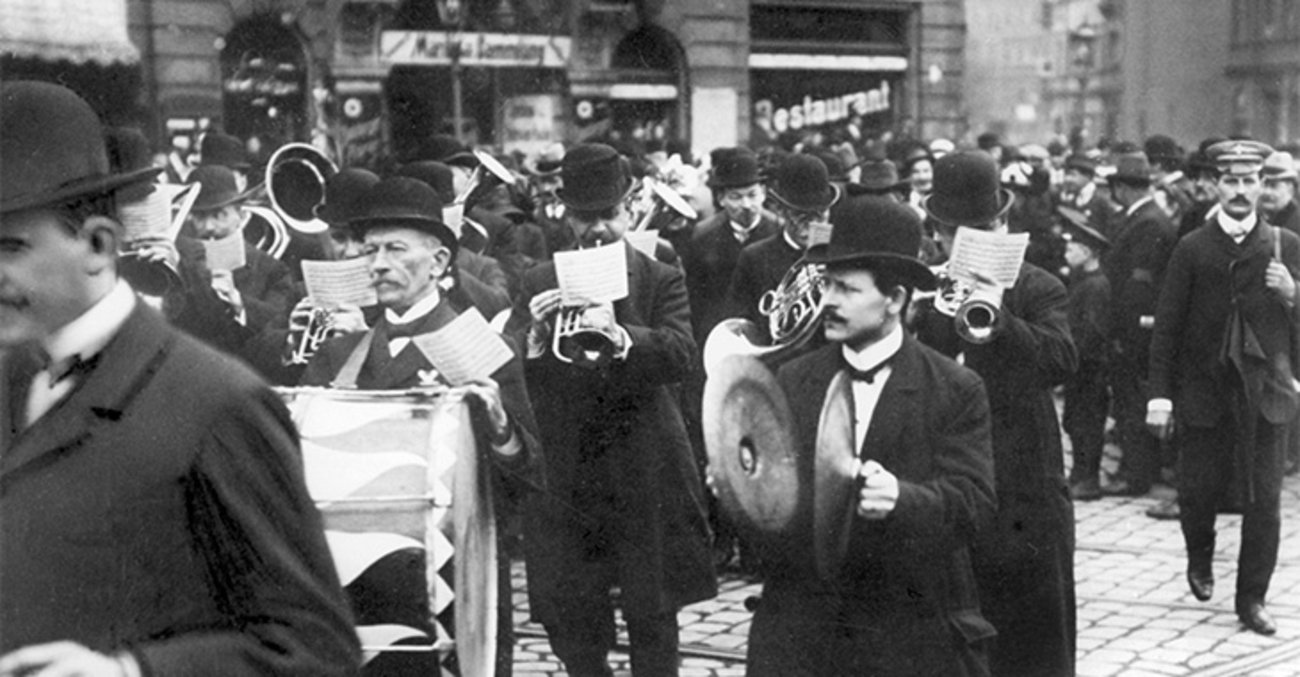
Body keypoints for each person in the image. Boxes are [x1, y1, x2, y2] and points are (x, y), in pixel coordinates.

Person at [0, 80, 359, 676]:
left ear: (97, 245)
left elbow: (314, 648)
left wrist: (127, 673)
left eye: (8, 247)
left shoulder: (220, 403)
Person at [746, 194, 997, 676]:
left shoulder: (954, 388)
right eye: (828, 286)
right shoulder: (793, 378)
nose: (830, 302)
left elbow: (975, 503)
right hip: (804, 632)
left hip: (903, 630)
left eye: (848, 289)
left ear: (896, 300)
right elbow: (772, 521)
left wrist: (903, 498)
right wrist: (743, 491)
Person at [301, 176, 542, 674]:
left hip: (456, 587)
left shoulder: (478, 348)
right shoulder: (339, 354)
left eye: (394, 248)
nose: (378, 263)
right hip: (357, 585)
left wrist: (499, 424)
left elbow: (530, 479)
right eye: (370, 250)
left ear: (438, 263)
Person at [507, 143, 716, 676]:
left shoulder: (659, 273)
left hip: (644, 465)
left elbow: (680, 353)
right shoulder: (537, 280)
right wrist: (532, 337)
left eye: (608, 215)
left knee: (654, 615)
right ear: (565, 215)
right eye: (584, 217)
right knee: (572, 620)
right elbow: (516, 378)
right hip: (570, 471)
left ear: (628, 211)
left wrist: (620, 335)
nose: (596, 229)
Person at [912, 150, 1079, 677]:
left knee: (1034, 643)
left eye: (981, 231)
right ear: (936, 233)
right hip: (950, 485)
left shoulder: (1038, 286)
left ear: (1002, 226)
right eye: (953, 233)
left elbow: (1061, 360)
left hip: (1023, 489)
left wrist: (1000, 318)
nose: (965, 245)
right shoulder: (923, 291)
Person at [1146, 139, 1300, 636]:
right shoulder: (1193, 247)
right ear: (1217, 184)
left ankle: (1251, 598)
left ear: (1261, 186)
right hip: (1205, 393)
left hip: (1266, 395)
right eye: (1230, 181)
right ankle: (1200, 556)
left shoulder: (1286, 246)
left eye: (1248, 181)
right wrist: (1160, 396)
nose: (1239, 190)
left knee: (1264, 504)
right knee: (1198, 491)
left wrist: (1293, 294)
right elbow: (1167, 326)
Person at [1104, 152, 1179, 498]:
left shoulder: (1149, 223)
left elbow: (1139, 285)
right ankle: (1137, 469)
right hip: (1134, 325)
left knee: (1133, 402)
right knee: (1129, 400)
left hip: (1136, 328)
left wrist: (1123, 329)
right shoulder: (1143, 218)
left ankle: (1137, 473)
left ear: (1122, 188)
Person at [181, 164, 301, 352]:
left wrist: (238, 302)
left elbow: (280, 326)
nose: (209, 226)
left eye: (220, 214)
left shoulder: (273, 270)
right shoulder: (178, 264)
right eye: (199, 216)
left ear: (240, 215)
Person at [725, 153, 840, 327]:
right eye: (800, 215)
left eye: (819, 214)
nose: (812, 224)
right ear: (781, 210)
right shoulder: (754, 257)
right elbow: (740, 323)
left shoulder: (843, 254)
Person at [1059, 211, 1113, 500]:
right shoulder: (1084, 281)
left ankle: (1088, 478)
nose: (1066, 253)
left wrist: (1072, 359)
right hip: (1079, 367)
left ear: (1088, 252)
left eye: (1071, 248)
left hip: (1089, 369)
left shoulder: (1095, 285)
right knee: (1074, 421)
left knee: (1087, 424)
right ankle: (1079, 474)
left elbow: (1091, 333)